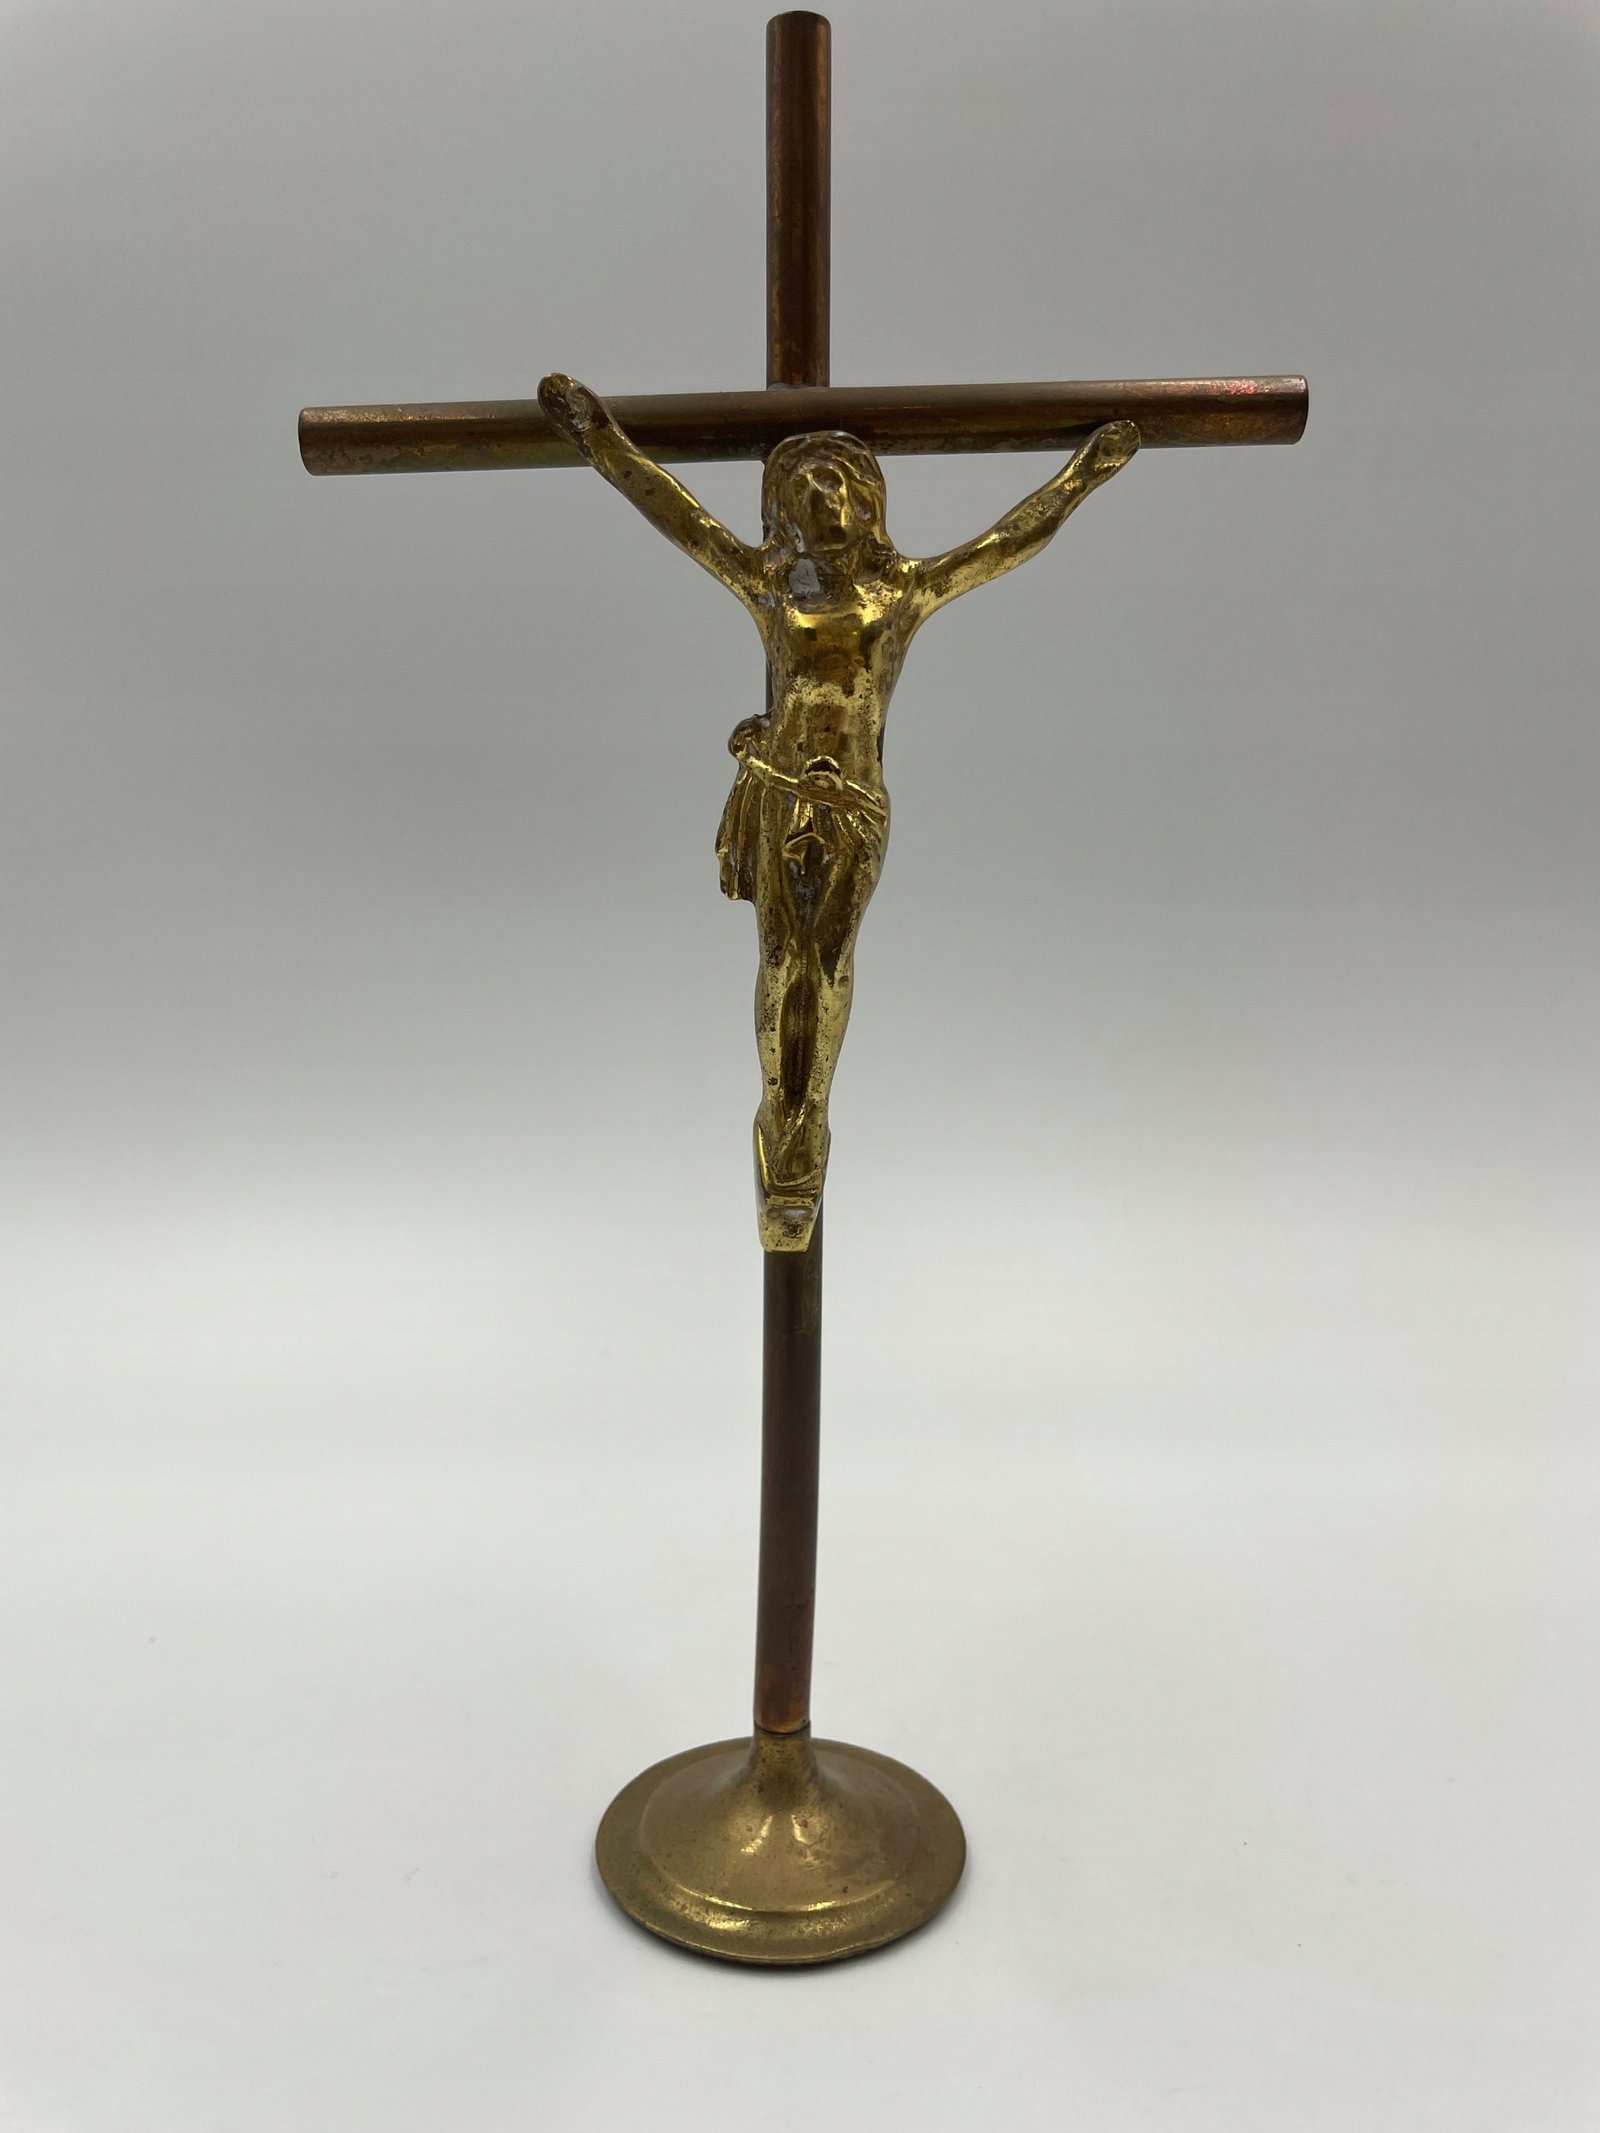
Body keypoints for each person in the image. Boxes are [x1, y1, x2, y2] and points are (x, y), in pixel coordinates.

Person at [538, 373, 1139, 1251]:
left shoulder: (901, 595)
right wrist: (599, 439)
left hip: (854, 806)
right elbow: (679, 515)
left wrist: (1084, 474)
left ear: (870, 503)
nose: (828, 498)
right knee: (782, 957)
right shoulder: (771, 587)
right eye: (808, 487)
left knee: (827, 960)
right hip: (783, 794)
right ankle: (780, 1111)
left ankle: (810, 1111)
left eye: (842, 484)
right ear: (784, 509)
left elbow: (1006, 542)